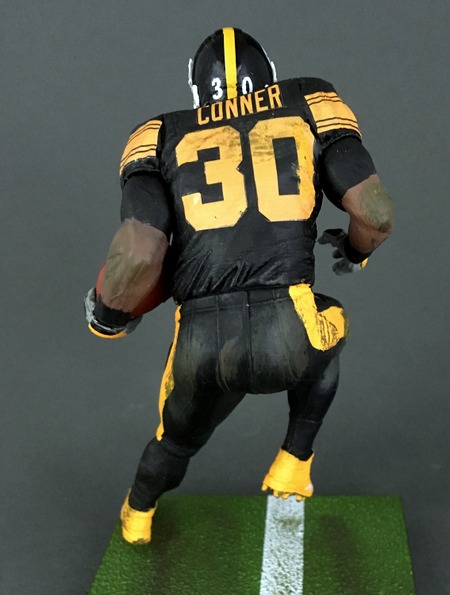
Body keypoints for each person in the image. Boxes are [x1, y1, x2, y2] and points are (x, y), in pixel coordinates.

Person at [85, 27, 393, 544]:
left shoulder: (158, 134)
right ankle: (295, 459)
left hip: (200, 345)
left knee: (174, 442)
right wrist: (356, 251)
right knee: (331, 328)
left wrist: (108, 316)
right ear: (268, 77)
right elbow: (375, 212)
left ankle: (137, 514)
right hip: (289, 332)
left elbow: (138, 252)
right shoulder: (309, 101)